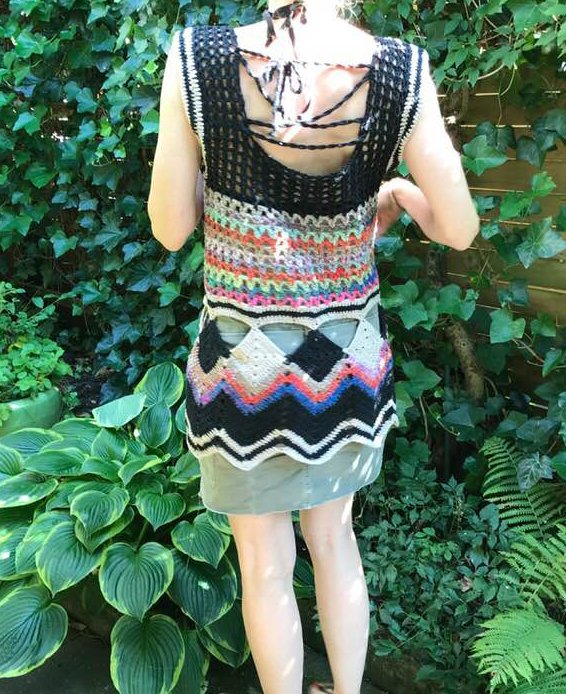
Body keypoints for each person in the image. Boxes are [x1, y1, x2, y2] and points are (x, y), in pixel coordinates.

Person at [147, 1, 480, 692]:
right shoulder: (399, 72)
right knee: (335, 543)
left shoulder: (198, 62)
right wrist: (397, 191)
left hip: (241, 371)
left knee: (265, 566)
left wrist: (215, 186)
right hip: (344, 371)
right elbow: (459, 227)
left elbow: (171, 227)